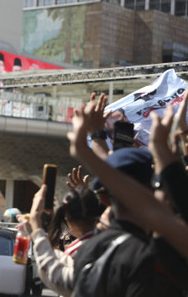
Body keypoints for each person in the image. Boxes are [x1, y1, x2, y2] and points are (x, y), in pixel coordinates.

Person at [68, 101, 185, 296]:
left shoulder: (86, 251)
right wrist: (168, 163)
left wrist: (91, 143)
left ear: (104, 197)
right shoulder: (156, 255)